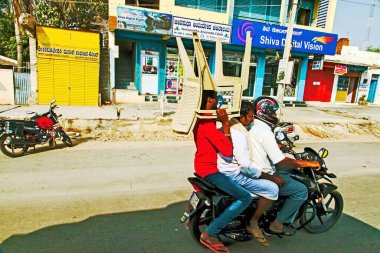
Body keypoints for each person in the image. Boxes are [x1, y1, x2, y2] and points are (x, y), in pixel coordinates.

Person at [249, 96, 321, 236]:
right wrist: (308, 163)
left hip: (251, 169)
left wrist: (277, 146)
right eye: (273, 112)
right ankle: (277, 224)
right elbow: (281, 162)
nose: (275, 115)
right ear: (265, 112)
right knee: (300, 190)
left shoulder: (252, 125)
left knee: (286, 175)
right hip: (264, 174)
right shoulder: (265, 131)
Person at [218, 101, 284, 247]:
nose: (252, 119)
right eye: (250, 116)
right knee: (273, 188)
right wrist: (270, 177)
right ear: (241, 117)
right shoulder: (239, 134)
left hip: (222, 170)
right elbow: (246, 166)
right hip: (234, 174)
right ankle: (253, 222)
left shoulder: (228, 127)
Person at [193, 90, 253, 253]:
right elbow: (227, 151)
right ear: (208, 102)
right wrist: (226, 123)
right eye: (214, 101)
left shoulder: (199, 121)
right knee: (245, 197)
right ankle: (210, 233)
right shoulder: (208, 125)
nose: (218, 104)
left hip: (200, 165)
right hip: (210, 171)